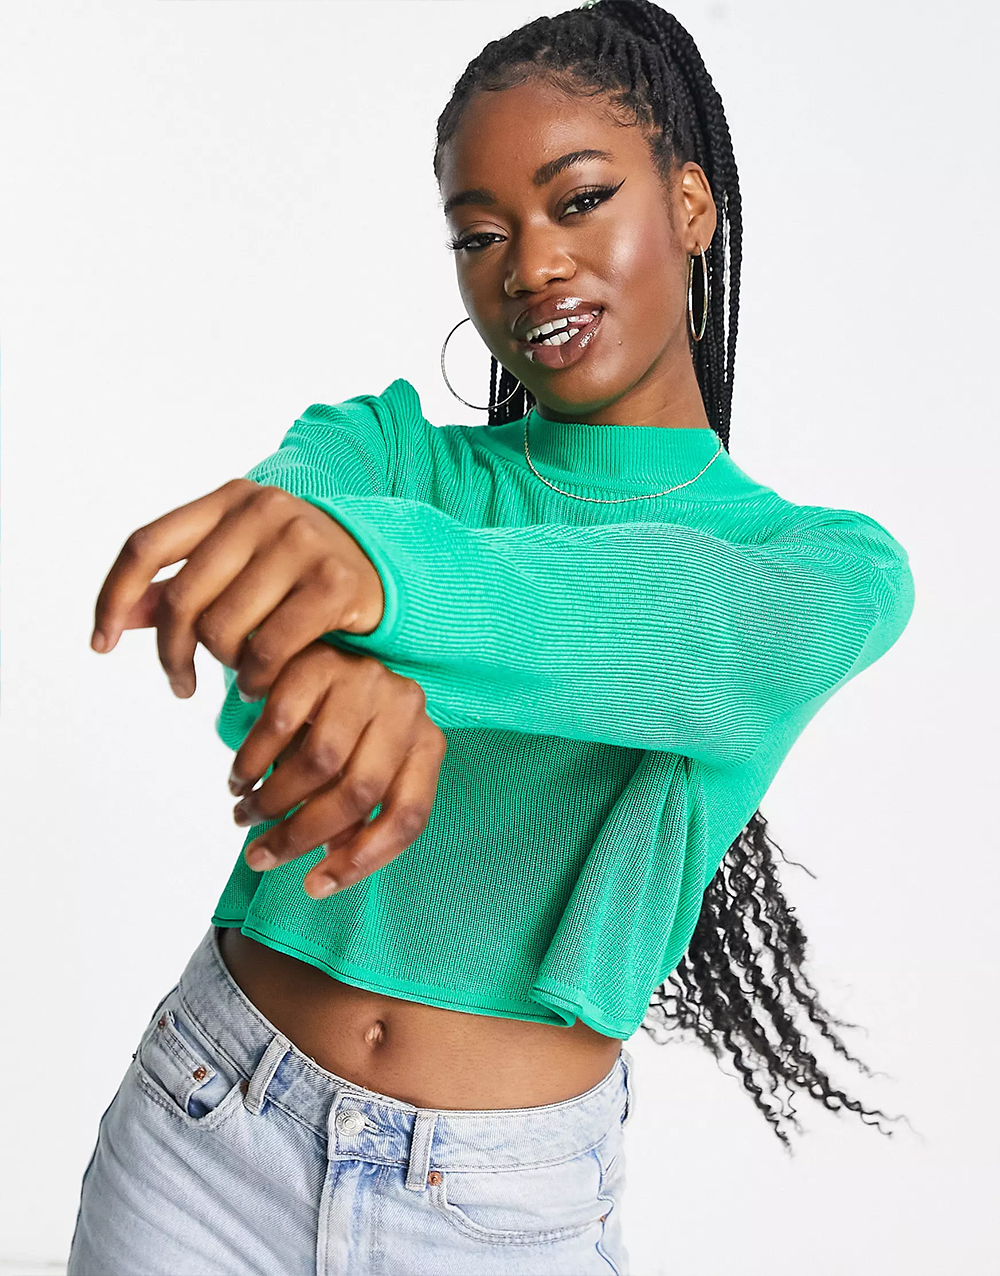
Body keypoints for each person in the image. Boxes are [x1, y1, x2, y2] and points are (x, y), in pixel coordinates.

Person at [66, 2, 915, 1273]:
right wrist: (329, 653)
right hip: (204, 1135)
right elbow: (259, 592)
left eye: (579, 201)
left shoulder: (822, 570)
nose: (529, 265)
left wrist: (379, 597)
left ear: (690, 205)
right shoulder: (377, 450)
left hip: (499, 1213)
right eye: (481, 233)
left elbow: (662, 626)